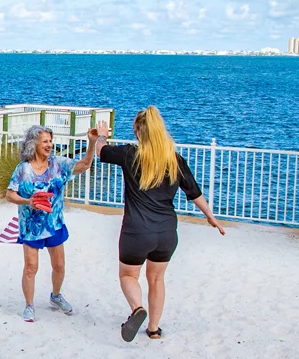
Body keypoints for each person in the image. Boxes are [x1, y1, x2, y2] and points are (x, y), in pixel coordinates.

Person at [96, 107, 224, 342]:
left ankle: (137, 309)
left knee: (128, 276)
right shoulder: (173, 159)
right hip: (166, 232)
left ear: (137, 131)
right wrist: (209, 215)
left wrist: (101, 134)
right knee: (156, 279)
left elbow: (101, 151)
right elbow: (193, 191)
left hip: (137, 231)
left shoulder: (129, 154)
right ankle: (153, 329)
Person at [5, 124, 104, 323]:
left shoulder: (58, 164)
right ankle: (29, 306)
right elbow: (9, 194)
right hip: (31, 227)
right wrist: (28, 202)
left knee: (59, 265)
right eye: (45, 141)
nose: (49, 145)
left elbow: (84, 165)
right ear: (34, 144)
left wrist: (92, 143)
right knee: (31, 267)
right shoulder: (23, 169)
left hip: (54, 224)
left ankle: (56, 296)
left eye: (51, 141)